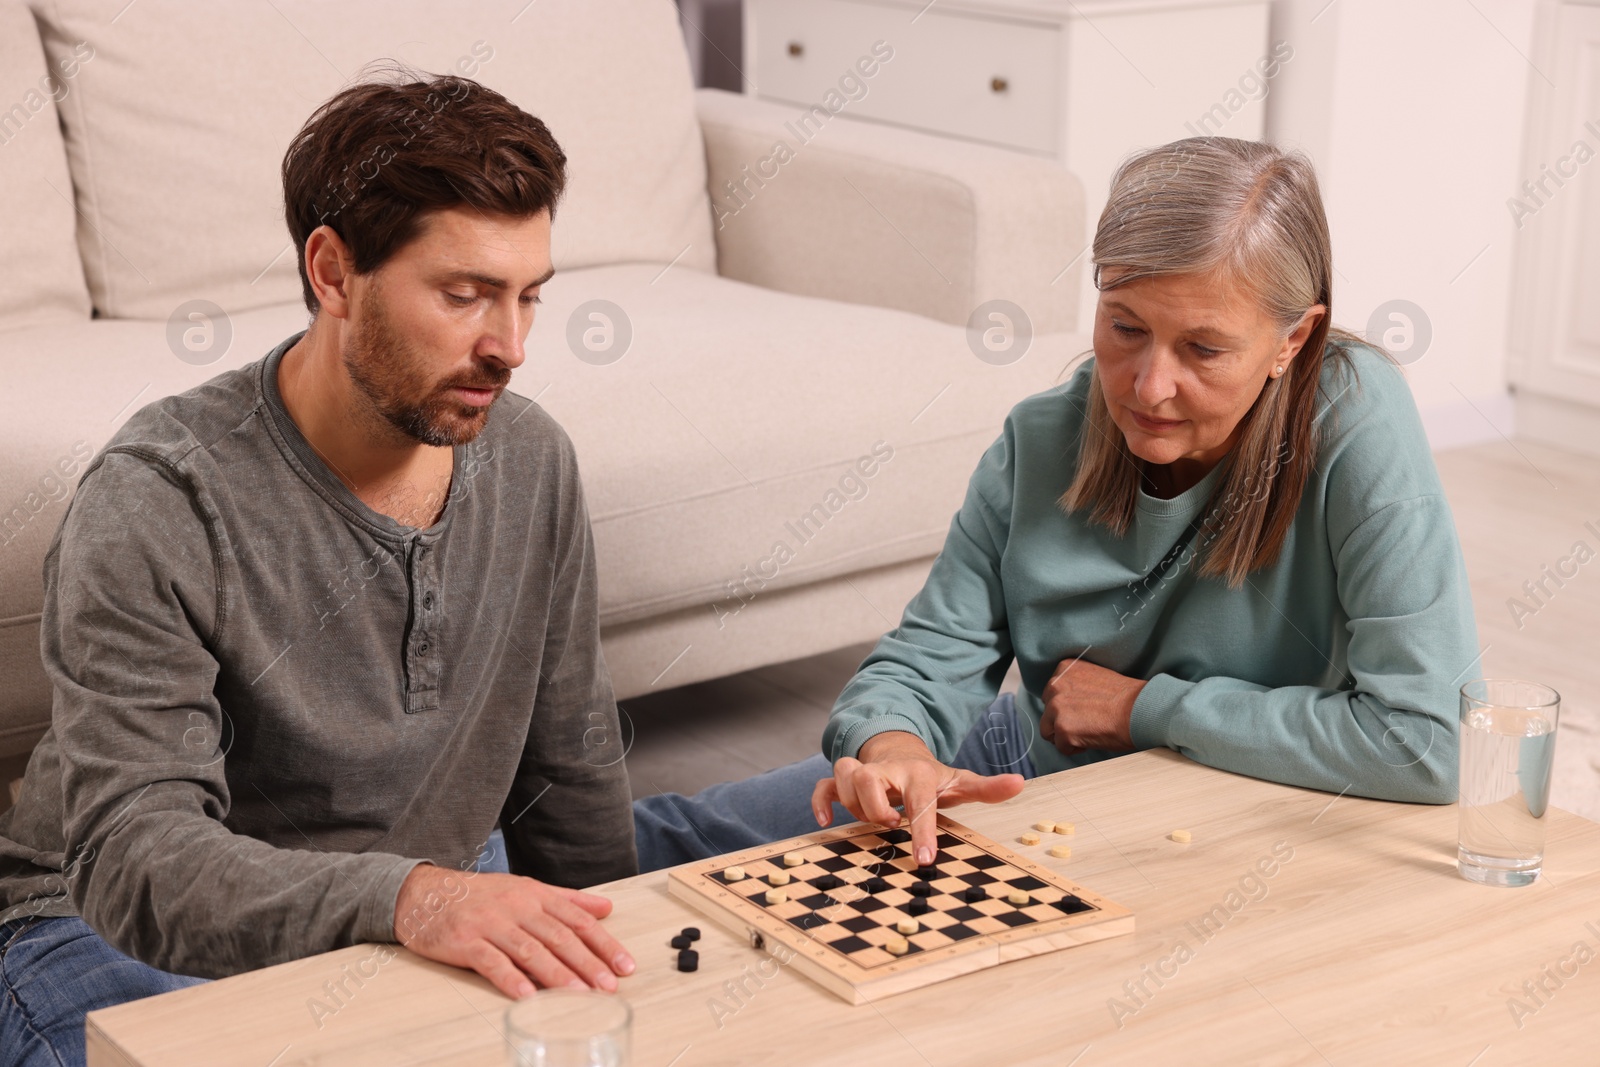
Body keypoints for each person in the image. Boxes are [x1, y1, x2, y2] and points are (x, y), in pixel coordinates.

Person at [0, 72, 642, 1067]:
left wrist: (616, 968)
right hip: (101, 928)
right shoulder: (161, 498)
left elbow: (567, 765)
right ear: (333, 272)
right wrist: (413, 897)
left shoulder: (531, 459)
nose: (508, 346)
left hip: (414, 895)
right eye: (463, 294)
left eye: (528, 297)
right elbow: (134, 855)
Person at [629, 135, 1480, 872]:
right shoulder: (1044, 436)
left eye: (1204, 348)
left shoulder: (1356, 418)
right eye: (1124, 326)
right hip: (1041, 766)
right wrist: (891, 746)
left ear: (1294, 339)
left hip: (1259, 809)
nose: (1149, 386)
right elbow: (929, 655)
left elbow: (1429, 741)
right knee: (672, 837)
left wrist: (1145, 707)